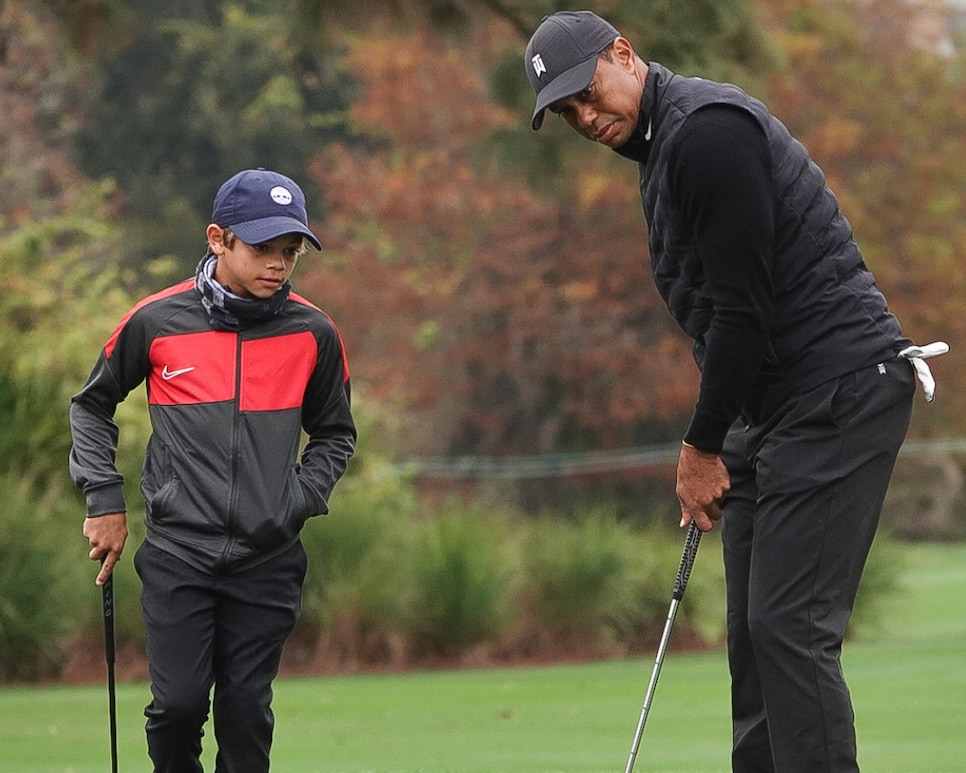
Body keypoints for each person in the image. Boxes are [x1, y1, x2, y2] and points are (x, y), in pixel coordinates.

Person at [525, 11, 945, 773]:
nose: (585, 118)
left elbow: (743, 310)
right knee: (755, 637)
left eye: (587, 94)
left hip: (838, 389)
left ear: (623, 54)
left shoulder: (706, 134)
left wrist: (701, 444)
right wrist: (727, 433)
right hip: (777, 405)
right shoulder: (661, 153)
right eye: (567, 113)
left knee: (789, 626)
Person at [69, 168, 356, 772]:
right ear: (217, 239)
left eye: (290, 251)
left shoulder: (314, 332)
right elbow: (91, 406)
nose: (278, 264)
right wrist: (104, 500)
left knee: (246, 713)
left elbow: (334, 434)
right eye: (261, 249)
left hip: (268, 561)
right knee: (175, 709)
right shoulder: (155, 321)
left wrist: (295, 499)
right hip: (179, 555)